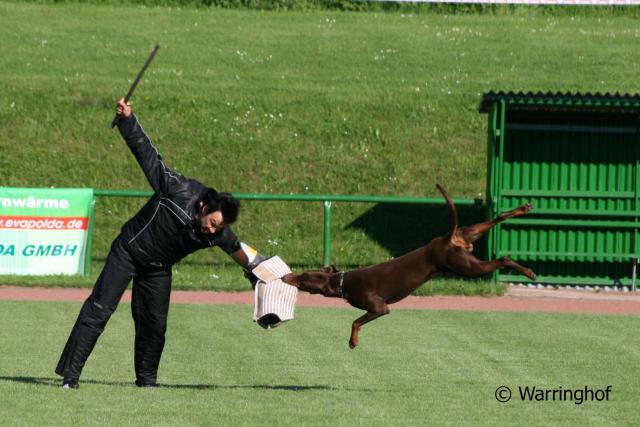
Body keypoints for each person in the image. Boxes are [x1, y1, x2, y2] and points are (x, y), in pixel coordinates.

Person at [55, 99, 265, 389]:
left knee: (154, 326)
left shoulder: (218, 232)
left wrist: (259, 273)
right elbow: (148, 155)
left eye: (219, 227)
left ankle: (147, 383)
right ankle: (70, 377)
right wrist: (128, 120)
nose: (213, 229)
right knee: (99, 310)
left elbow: (237, 250)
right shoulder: (178, 189)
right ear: (204, 207)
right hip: (128, 251)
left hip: (157, 268)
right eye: (213, 222)